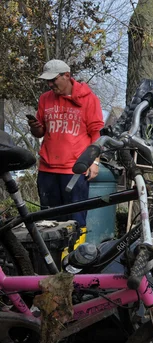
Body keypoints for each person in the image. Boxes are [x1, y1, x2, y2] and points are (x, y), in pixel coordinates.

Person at [28, 59, 103, 231]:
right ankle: (49, 257)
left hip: (75, 170)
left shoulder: (89, 99)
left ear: (67, 76)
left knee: (76, 221)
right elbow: (40, 133)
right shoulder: (45, 99)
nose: (50, 84)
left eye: (53, 79)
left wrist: (95, 161)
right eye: (47, 80)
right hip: (47, 170)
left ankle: (75, 257)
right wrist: (35, 128)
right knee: (47, 221)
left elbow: (97, 133)